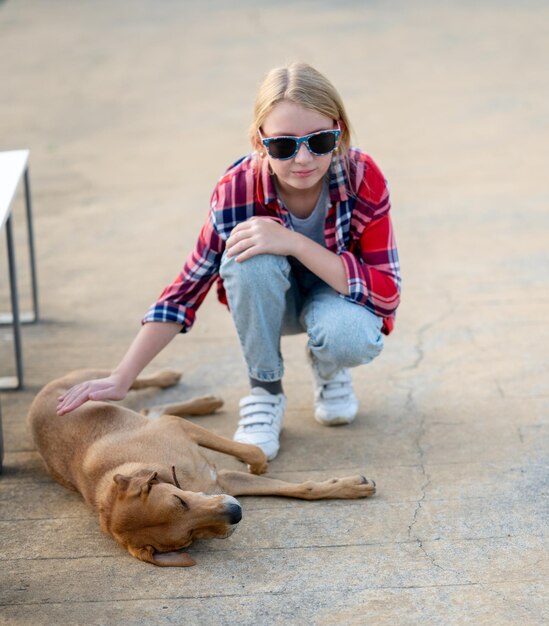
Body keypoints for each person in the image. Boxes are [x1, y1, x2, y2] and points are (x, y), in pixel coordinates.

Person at [57, 62, 401, 461]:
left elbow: (386, 292)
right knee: (246, 260)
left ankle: (328, 366)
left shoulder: (362, 175)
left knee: (350, 338)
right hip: (271, 303)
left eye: (319, 141)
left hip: (336, 298)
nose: (303, 159)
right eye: (283, 145)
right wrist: (122, 377)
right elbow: (186, 289)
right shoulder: (237, 189)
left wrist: (293, 242)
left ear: (338, 130)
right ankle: (265, 391)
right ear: (259, 141)